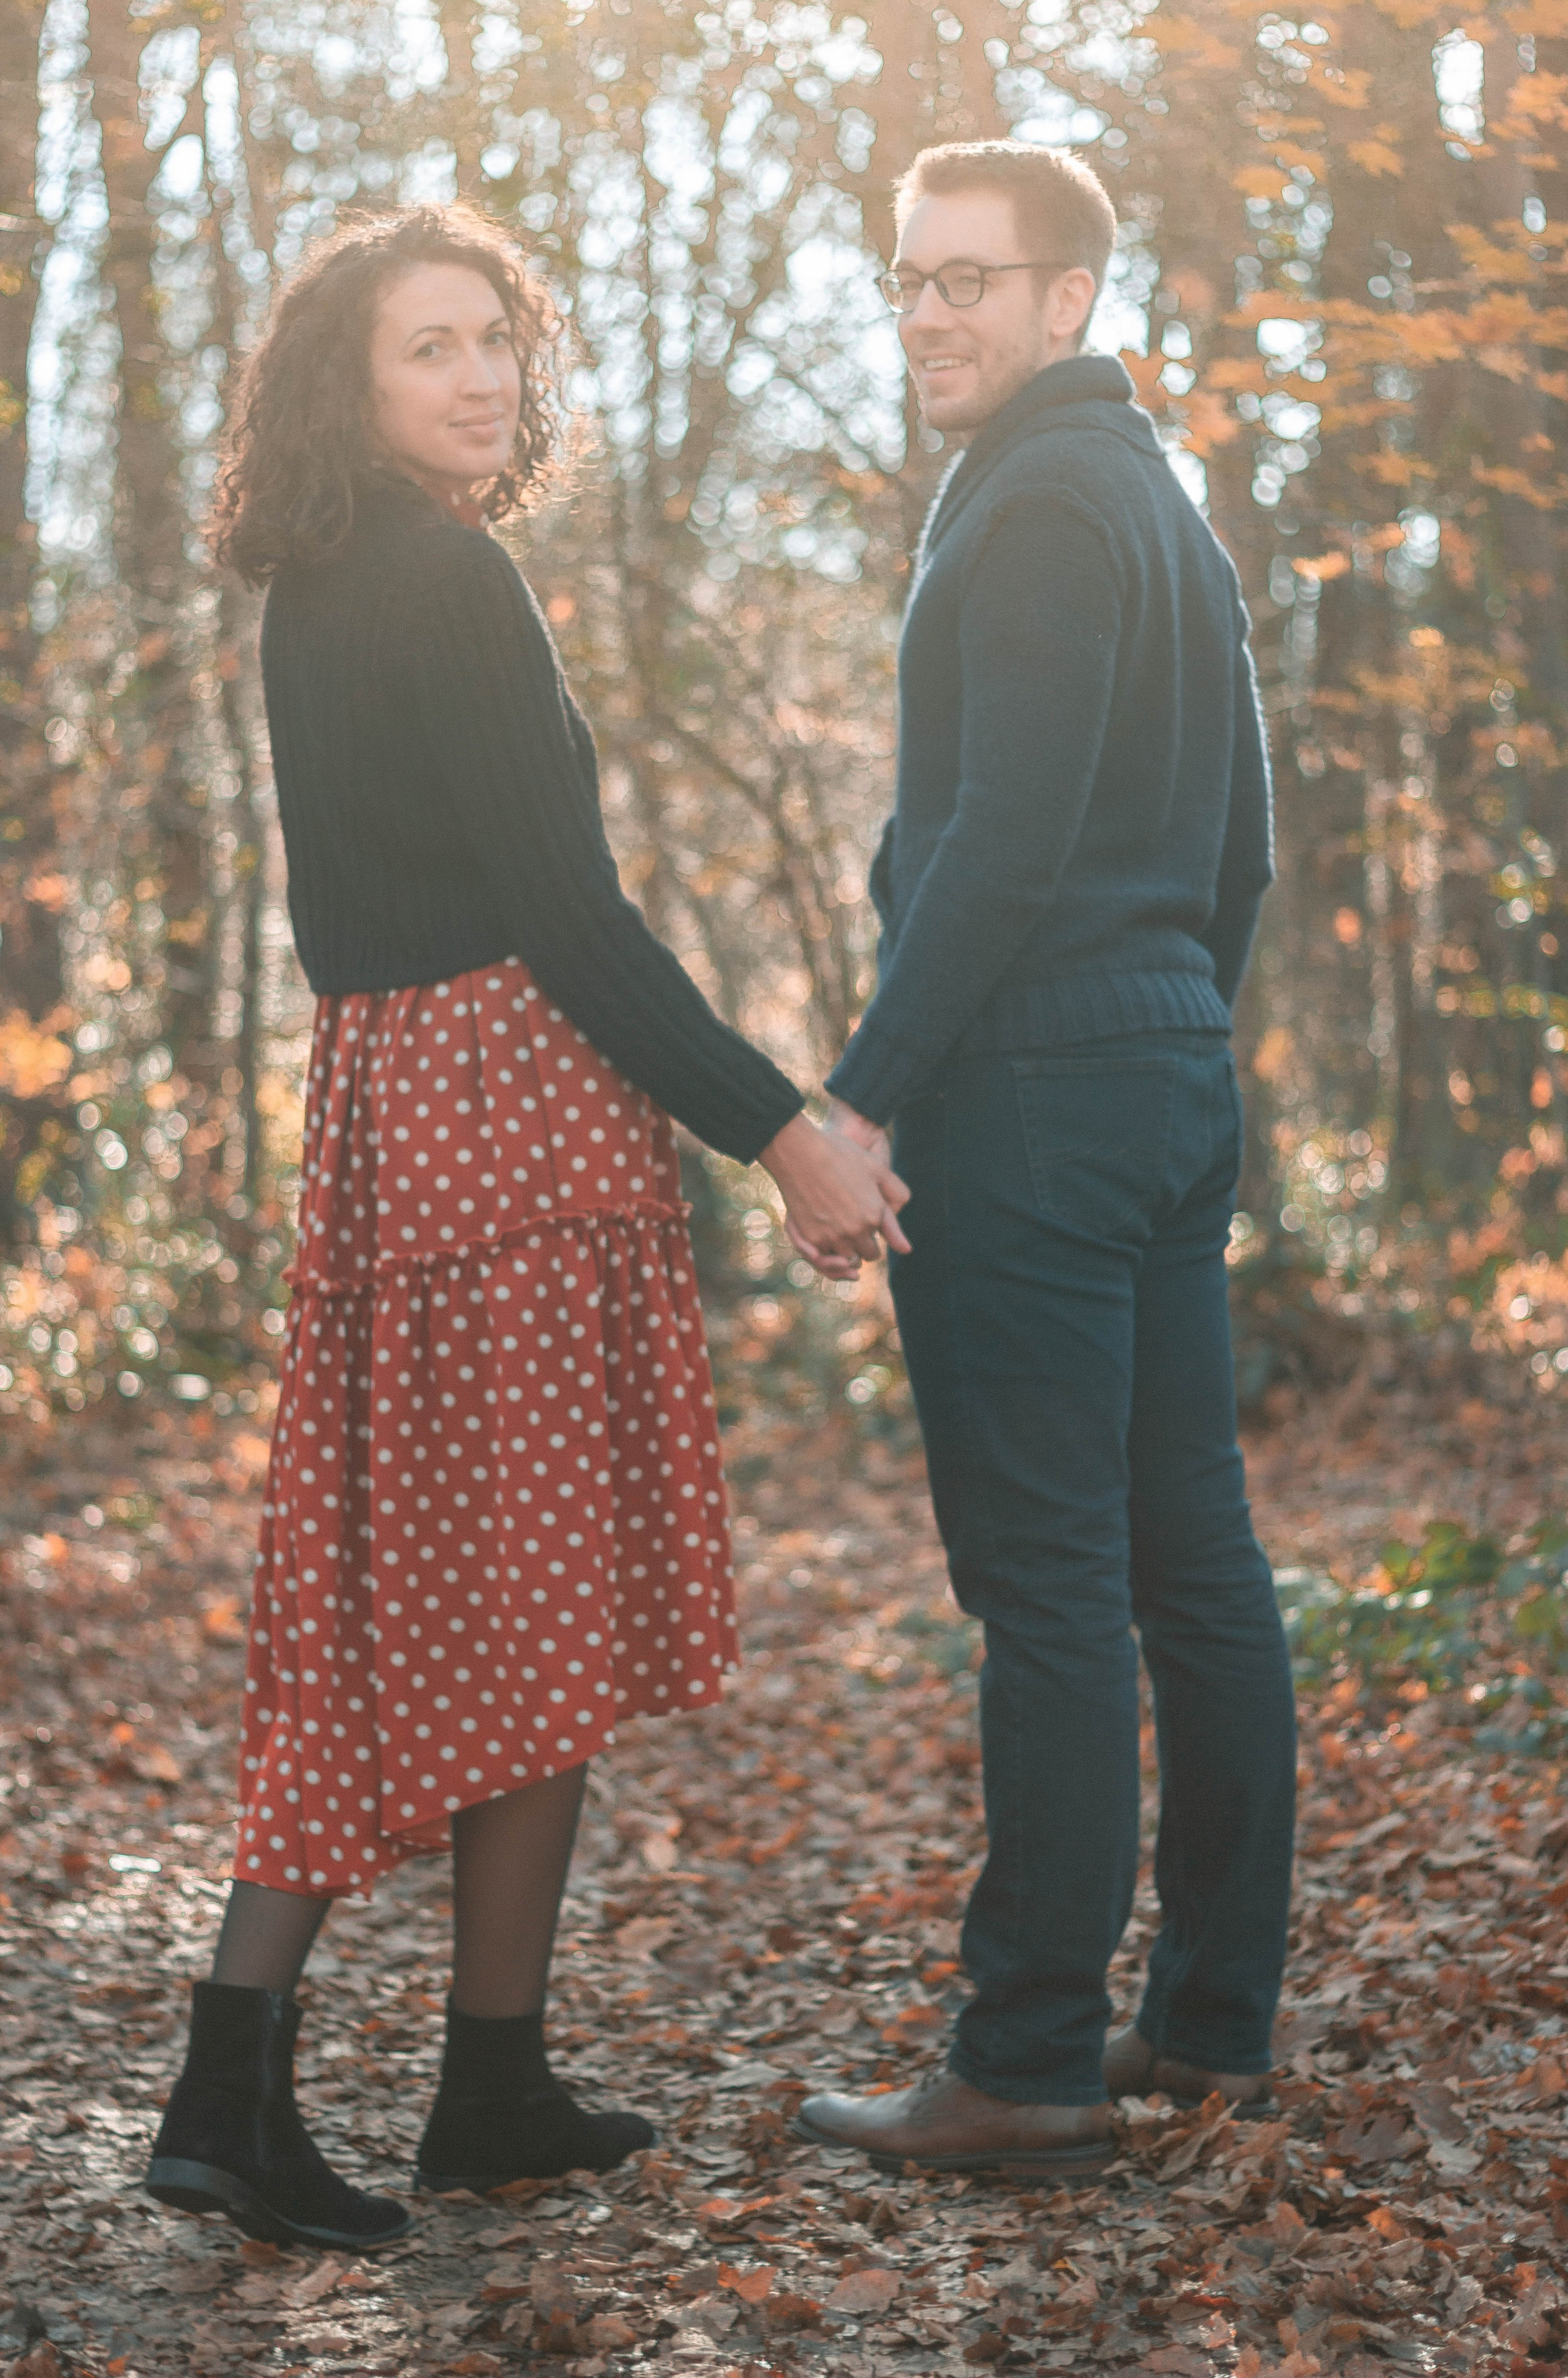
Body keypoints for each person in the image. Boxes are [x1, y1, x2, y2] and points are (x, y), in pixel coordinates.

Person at [143, 203, 910, 2250]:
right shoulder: (444, 578)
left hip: (412, 1123)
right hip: (501, 1134)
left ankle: (488, 2085)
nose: (481, 375)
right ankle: (231, 2088)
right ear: (348, 383)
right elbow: (571, 921)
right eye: (428, 347)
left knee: (474, 1606)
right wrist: (787, 1134)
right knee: (441, 1615)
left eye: (497, 338)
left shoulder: (324, 578)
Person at [796, 142, 1297, 2179]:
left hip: (1033, 1088)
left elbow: (995, 839)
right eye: (909, 280)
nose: (930, 315)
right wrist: (1173, 1021)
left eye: (972, 283)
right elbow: (1245, 843)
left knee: (1056, 1591)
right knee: (1194, 1567)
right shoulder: (1165, 507)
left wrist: (863, 1094)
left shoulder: (1031, 508)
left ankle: (1021, 2058)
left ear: (1072, 298)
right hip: (1167, 1065)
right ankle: (1211, 2026)